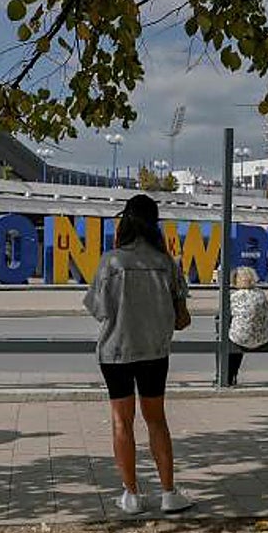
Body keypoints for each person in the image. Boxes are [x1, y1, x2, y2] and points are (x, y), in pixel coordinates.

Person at [84, 194, 192, 516]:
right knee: (157, 421)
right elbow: (182, 319)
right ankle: (169, 493)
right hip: (154, 352)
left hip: (116, 351)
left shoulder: (112, 262)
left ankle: (131, 495)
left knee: (122, 422)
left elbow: (99, 310)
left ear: (125, 222)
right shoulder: (166, 263)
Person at [227, 265, 268, 385]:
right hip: (262, 337)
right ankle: (233, 375)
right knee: (240, 334)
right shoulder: (261, 294)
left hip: (242, 338)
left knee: (230, 340)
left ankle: (228, 376)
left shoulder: (235, 296)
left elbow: (226, 316)